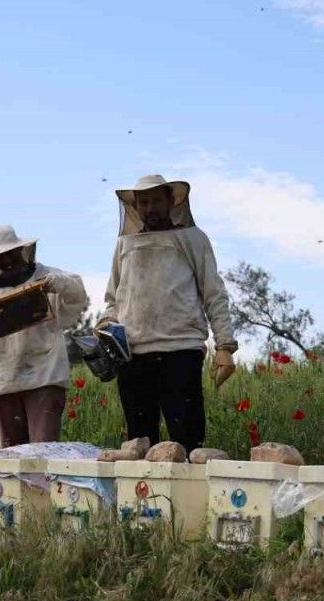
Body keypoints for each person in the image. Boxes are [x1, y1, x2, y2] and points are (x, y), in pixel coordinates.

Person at [99, 174, 238, 452]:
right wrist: (105, 326)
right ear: (136, 206)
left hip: (181, 350)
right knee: (138, 446)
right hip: (133, 355)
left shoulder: (193, 238)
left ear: (171, 201)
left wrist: (224, 346)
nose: (150, 208)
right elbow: (114, 299)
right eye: (144, 202)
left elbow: (213, 292)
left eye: (156, 201)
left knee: (187, 442)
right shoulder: (124, 244)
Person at [0, 225, 89, 448]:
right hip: (2, 382)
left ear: (20, 250)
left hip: (44, 376)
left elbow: (78, 296)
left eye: (9, 254)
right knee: (9, 460)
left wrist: (58, 284)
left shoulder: (46, 275)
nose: (6, 261)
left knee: (43, 455)